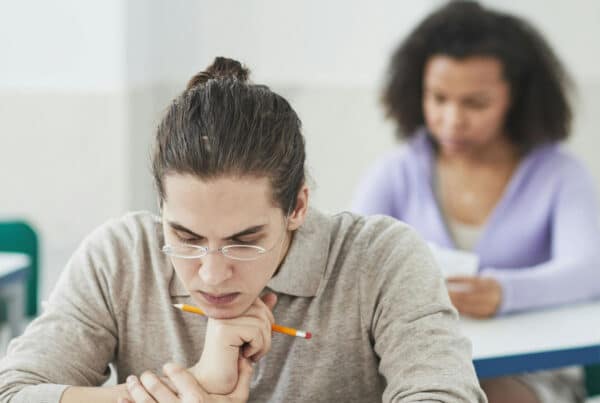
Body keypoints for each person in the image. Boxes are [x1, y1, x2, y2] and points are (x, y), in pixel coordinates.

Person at [0, 57, 486, 403]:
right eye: (187, 238)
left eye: (244, 240)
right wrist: (189, 387)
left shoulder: (381, 258)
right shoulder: (121, 257)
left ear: (297, 206)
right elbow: (14, 392)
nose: (211, 276)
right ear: (160, 206)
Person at [352, 2, 600, 403]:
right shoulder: (397, 171)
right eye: (438, 98)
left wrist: (504, 293)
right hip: (414, 364)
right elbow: (352, 266)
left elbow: (589, 271)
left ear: (515, 98)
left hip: (530, 371)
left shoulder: (559, 173)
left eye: (475, 103)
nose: (452, 120)